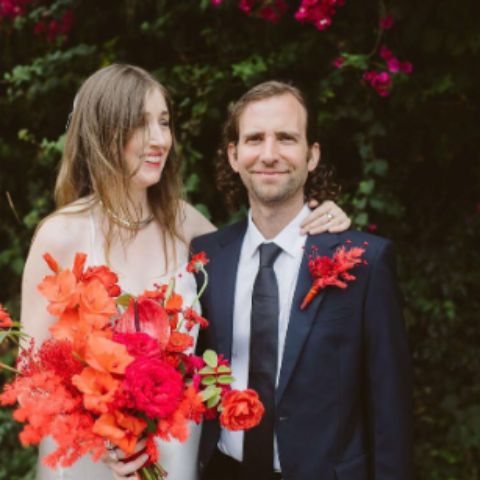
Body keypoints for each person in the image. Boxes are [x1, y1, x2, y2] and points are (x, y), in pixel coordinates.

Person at [20, 65, 351, 480]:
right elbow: (32, 379)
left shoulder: (190, 229)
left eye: (164, 122)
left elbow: (265, 274)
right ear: (103, 132)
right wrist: (99, 435)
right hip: (92, 462)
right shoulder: (61, 236)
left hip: (175, 458)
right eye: (141, 125)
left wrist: (321, 219)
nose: (160, 140)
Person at [192, 81, 413, 480]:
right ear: (234, 155)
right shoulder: (205, 258)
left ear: (312, 155)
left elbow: (390, 407)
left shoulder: (366, 262)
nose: (270, 154)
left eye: (286, 138)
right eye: (255, 138)